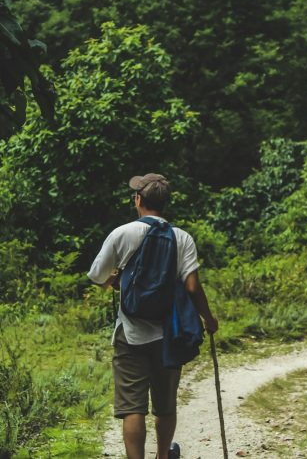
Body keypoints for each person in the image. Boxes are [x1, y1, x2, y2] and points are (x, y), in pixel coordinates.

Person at [87, 173, 218, 459]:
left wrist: (114, 281)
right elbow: (193, 286)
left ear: (138, 200)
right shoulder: (181, 237)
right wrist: (208, 318)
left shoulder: (122, 233)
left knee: (133, 408)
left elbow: (96, 276)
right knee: (165, 405)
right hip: (169, 334)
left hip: (130, 334)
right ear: (165, 203)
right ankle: (162, 455)